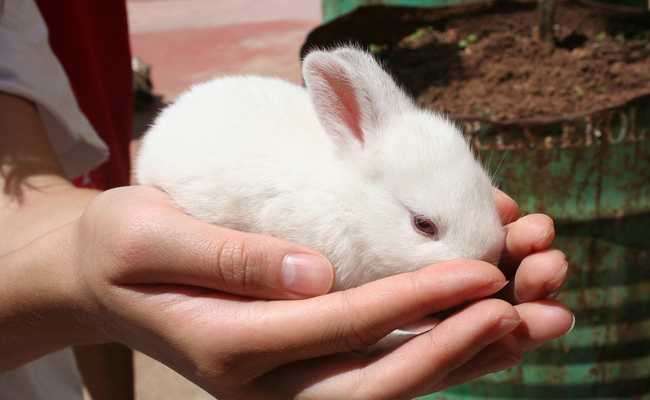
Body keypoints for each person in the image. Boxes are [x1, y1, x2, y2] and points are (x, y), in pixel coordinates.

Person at [0, 1, 574, 399]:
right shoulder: (322, 215)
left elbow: (19, 181)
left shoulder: (404, 160)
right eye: (424, 226)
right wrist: (83, 271)